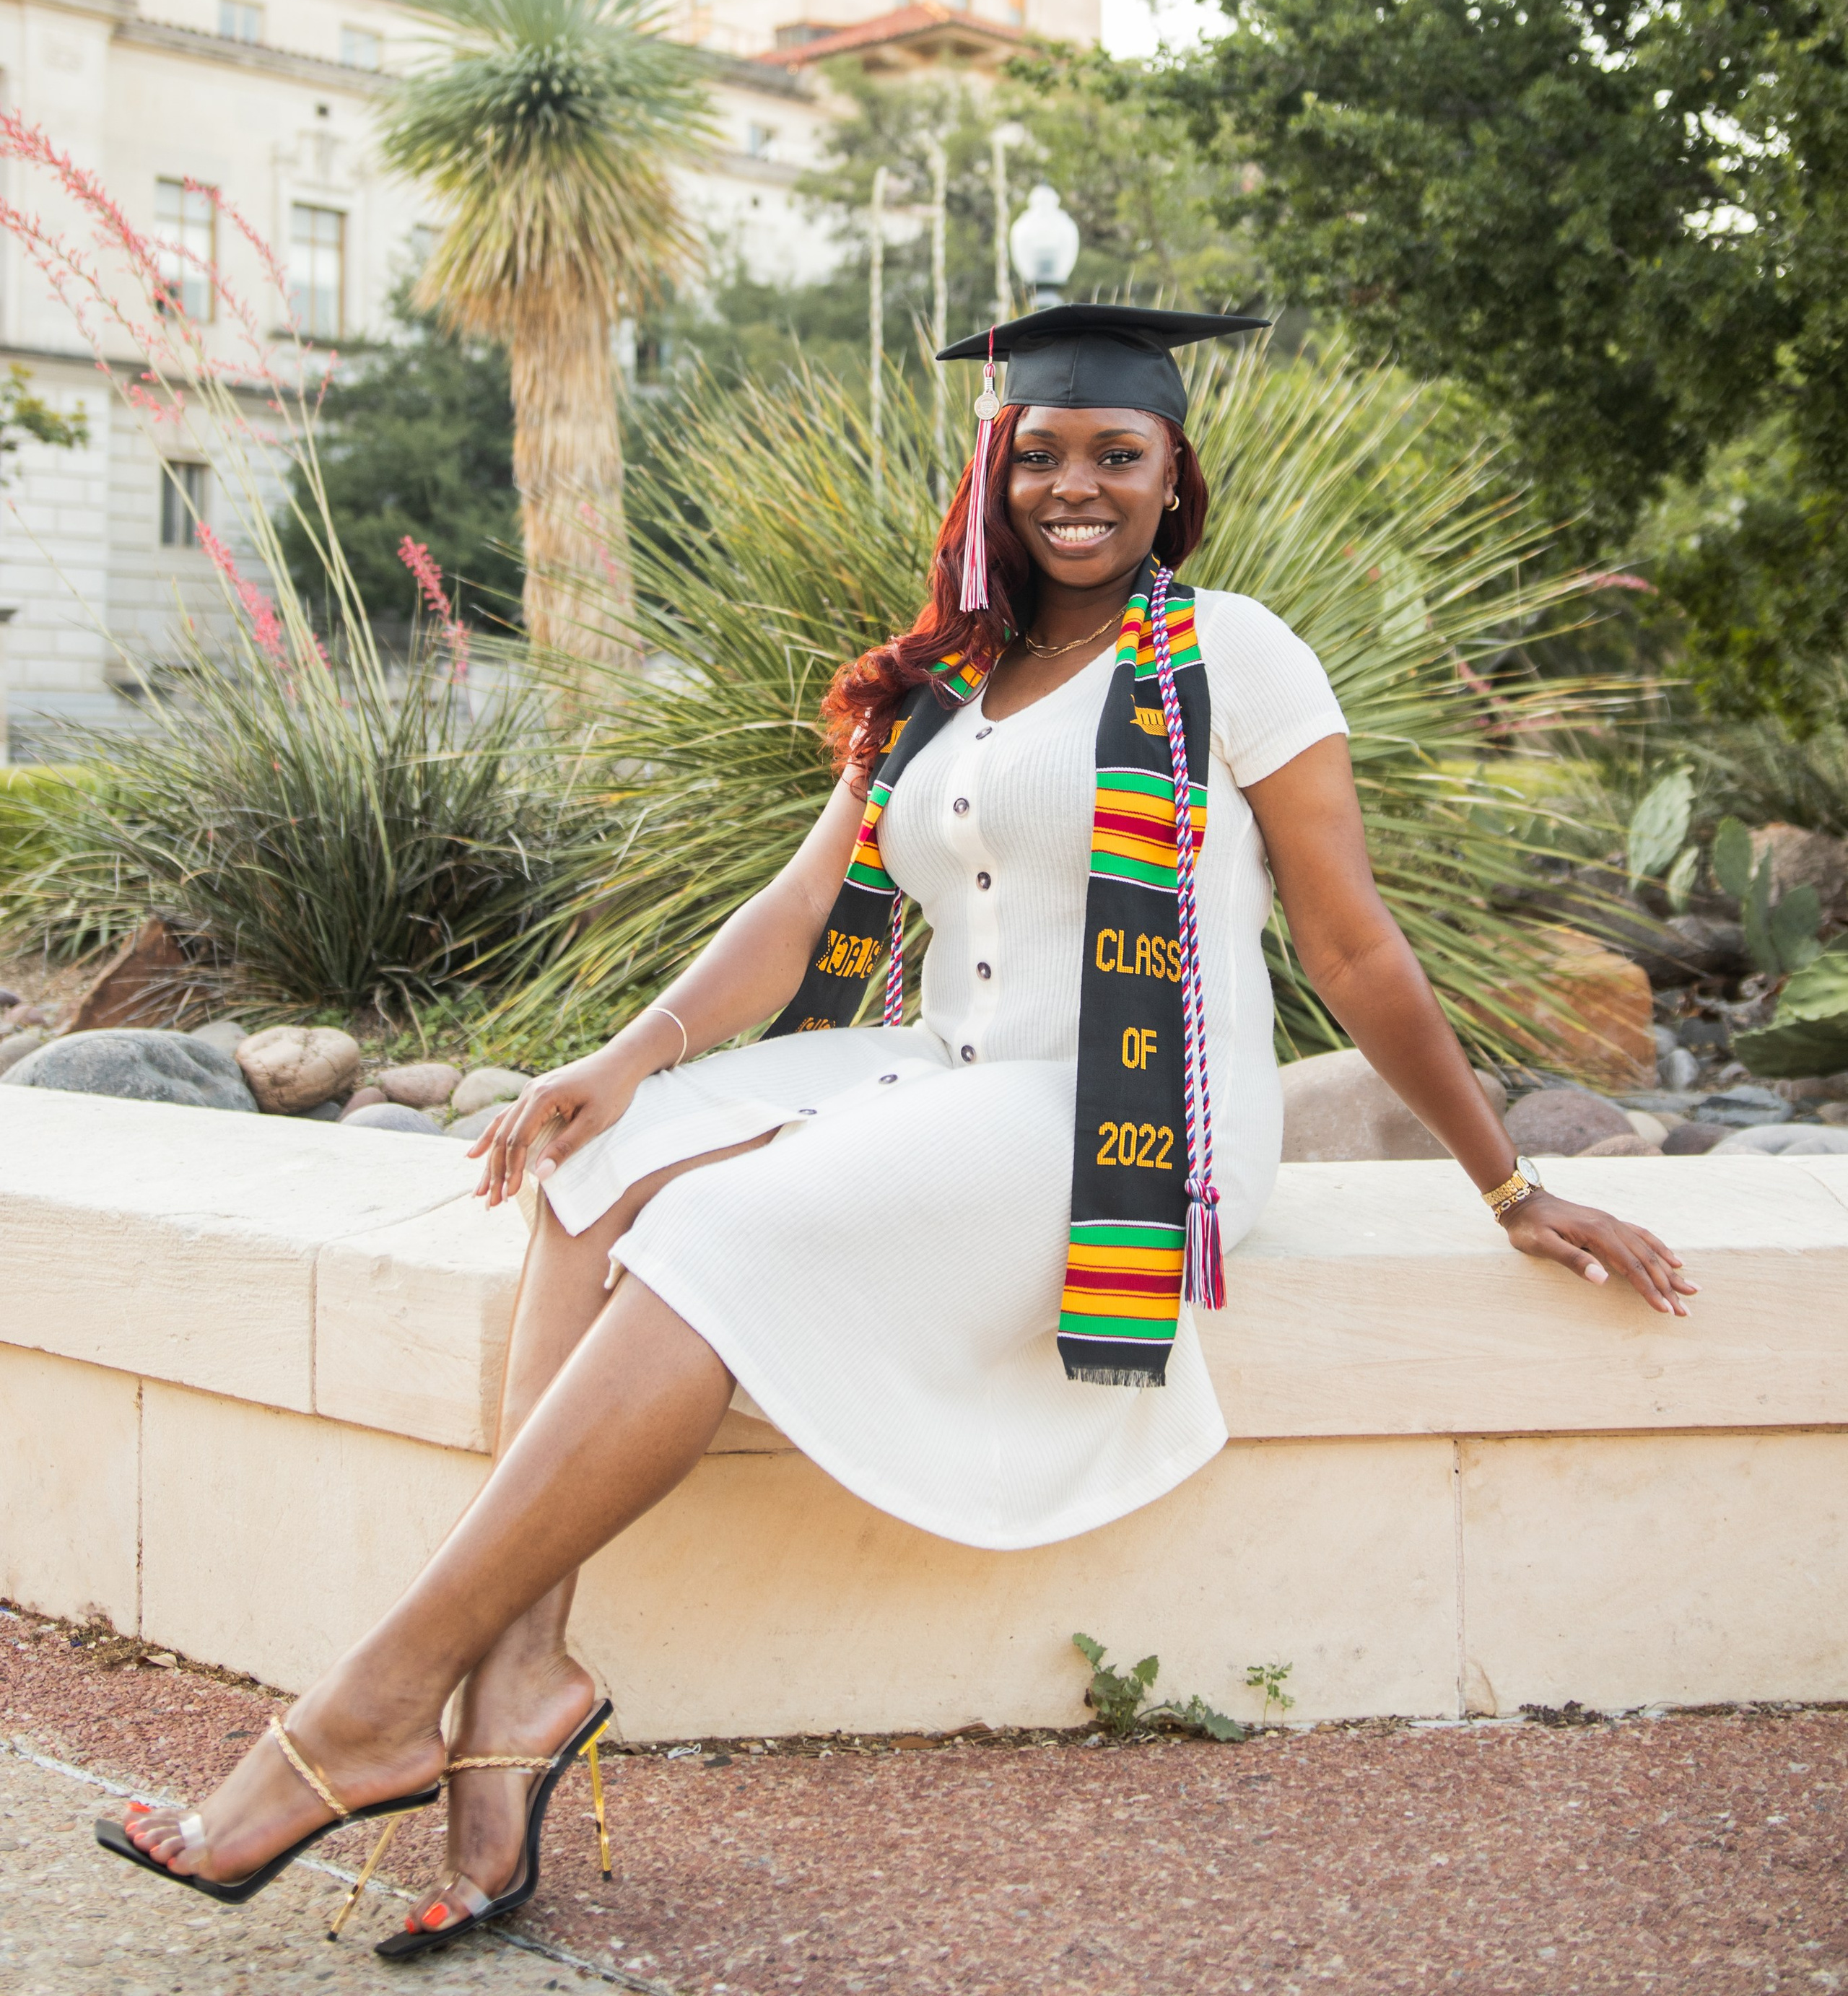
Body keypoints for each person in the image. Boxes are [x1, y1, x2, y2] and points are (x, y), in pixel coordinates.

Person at [98, 304, 1695, 1956]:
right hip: (946, 1069)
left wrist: (1506, 1180)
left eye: (1116, 454)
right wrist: (624, 1057)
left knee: (711, 1229)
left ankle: (368, 1703)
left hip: (1131, 1113)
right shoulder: (948, 676)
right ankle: (513, 1691)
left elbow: (1351, 946)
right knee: (591, 1165)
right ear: (997, 470)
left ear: (1171, 477)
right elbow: (802, 906)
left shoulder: (1234, 652)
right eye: (1040, 453)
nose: (1073, 485)